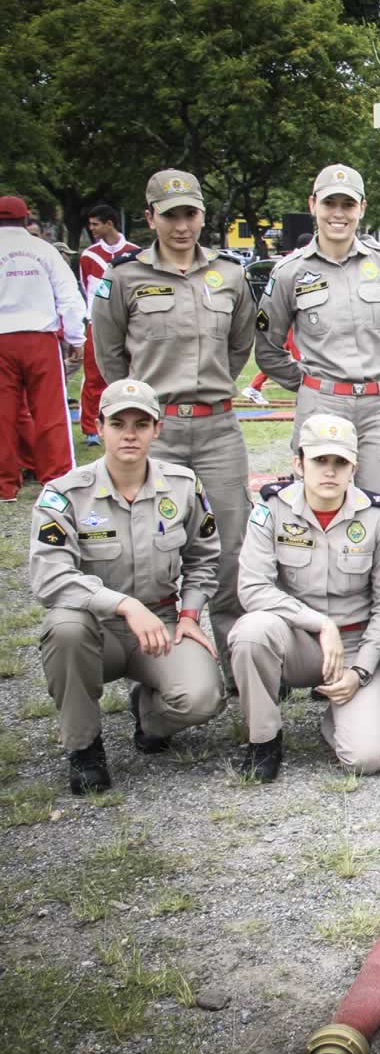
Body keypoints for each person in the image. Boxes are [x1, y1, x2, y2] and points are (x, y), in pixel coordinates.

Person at [90, 170, 255, 687]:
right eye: (170, 215)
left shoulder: (230, 274)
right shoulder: (124, 278)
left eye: (190, 214)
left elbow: (240, 345)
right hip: (154, 431)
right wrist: (141, 411)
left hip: (217, 428)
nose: (182, 225)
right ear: (150, 218)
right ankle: (156, 669)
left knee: (232, 546)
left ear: (202, 216)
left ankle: (238, 664)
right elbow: (109, 355)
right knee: (149, 549)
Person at [30, 379, 224, 793]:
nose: (130, 434)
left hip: (161, 621)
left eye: (141, 424)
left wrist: (190, 614)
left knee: (203, 698)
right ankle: (84, 748)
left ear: (158, 430)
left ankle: (148, 716)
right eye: (118, 424)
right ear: (99, 427)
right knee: (64, 630)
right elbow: (50, 576)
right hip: (93, 626)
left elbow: (204, 557)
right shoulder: (64, 494)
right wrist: (123, 605)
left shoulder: (183, 486)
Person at [231, 415, 380, 781]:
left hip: (355, 646)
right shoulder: (271, 509)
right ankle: (264, 740)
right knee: (251, 632)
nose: (330, 471)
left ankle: (348, 715)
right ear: (298, 463)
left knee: (368, 759)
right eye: (319, 460)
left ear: (354, 467)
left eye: (340, 462)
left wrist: (361, 670)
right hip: (298, 640)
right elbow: (252, 587)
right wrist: (320, 623)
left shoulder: (377, 516)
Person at [254, 165, 380, 506]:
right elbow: (267, 347)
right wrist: (309, 384)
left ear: (362, 208)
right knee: (317, 510)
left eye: (348, 204)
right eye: (329, 203)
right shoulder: (290, 272)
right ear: (313, 205)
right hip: (322, 403)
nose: (338, 214)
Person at [0, 194, 85, 501]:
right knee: (51, 410)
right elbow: (69, 295)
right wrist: (76, 337)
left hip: (2, 338)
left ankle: (5, 486)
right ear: (26, 220)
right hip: (40, 338)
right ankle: (57, 478)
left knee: (3, 414)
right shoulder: (43, 250)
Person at [78, 205, 135, 446]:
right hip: (97, 324)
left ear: (109, 223)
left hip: (129, 323)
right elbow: (85, 288)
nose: (91, 228)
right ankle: (91, 428)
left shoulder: (135, 252)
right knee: (94, 375)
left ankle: (132, 421)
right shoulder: (88, 255)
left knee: (132, 373)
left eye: (95, 224)